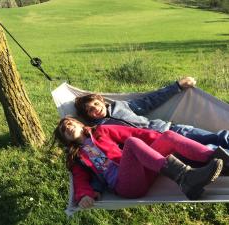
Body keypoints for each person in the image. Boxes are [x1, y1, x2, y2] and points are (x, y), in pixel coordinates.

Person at [55, 117, 229, 208]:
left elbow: (136, 133)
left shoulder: (101, 130)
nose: (67, 127)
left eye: (70, 123)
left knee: (167, 136)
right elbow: (80, 180)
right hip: (125, 185)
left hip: (144, 169)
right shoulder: (76, 157)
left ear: (79, 124)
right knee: (131, 144)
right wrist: (84, 195)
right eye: (64, 130)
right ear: (65, 139)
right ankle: (185, 178)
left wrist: (162, 142)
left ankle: (221, 160)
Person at [74, 77, 229, 151]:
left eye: (95, 104)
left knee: (217, 137)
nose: (95, 109)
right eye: (89, 110)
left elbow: (150, 101)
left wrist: (178, 86)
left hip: (170, 130)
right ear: (88, 116)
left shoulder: (122, 106)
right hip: (159, 146)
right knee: (209, 151)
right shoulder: (100, 131)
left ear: (101, 100)